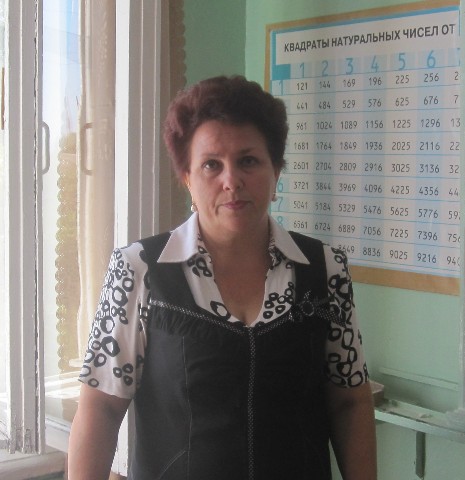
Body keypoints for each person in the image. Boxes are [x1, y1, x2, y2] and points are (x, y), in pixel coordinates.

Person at [68, 75, 377, 480]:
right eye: (211, 164)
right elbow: (101, 406)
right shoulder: (139, 270)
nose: (232, 181)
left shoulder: (326, 270)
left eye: (248, 160)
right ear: (187, 178)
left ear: (276, 171)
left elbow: (350, 401)